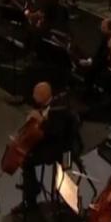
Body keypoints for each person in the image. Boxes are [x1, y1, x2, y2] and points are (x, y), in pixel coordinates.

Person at [15, 82, 73, 213]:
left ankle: (30, 199)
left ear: (41, 97)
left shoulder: (57, 111)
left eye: (35, 95)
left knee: (26, 160)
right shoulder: (51, 104)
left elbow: (51, 134)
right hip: (51, 142)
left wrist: (40, 121)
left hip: (60, 149)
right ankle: (31, 187)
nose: (33, 97)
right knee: (27, 154)